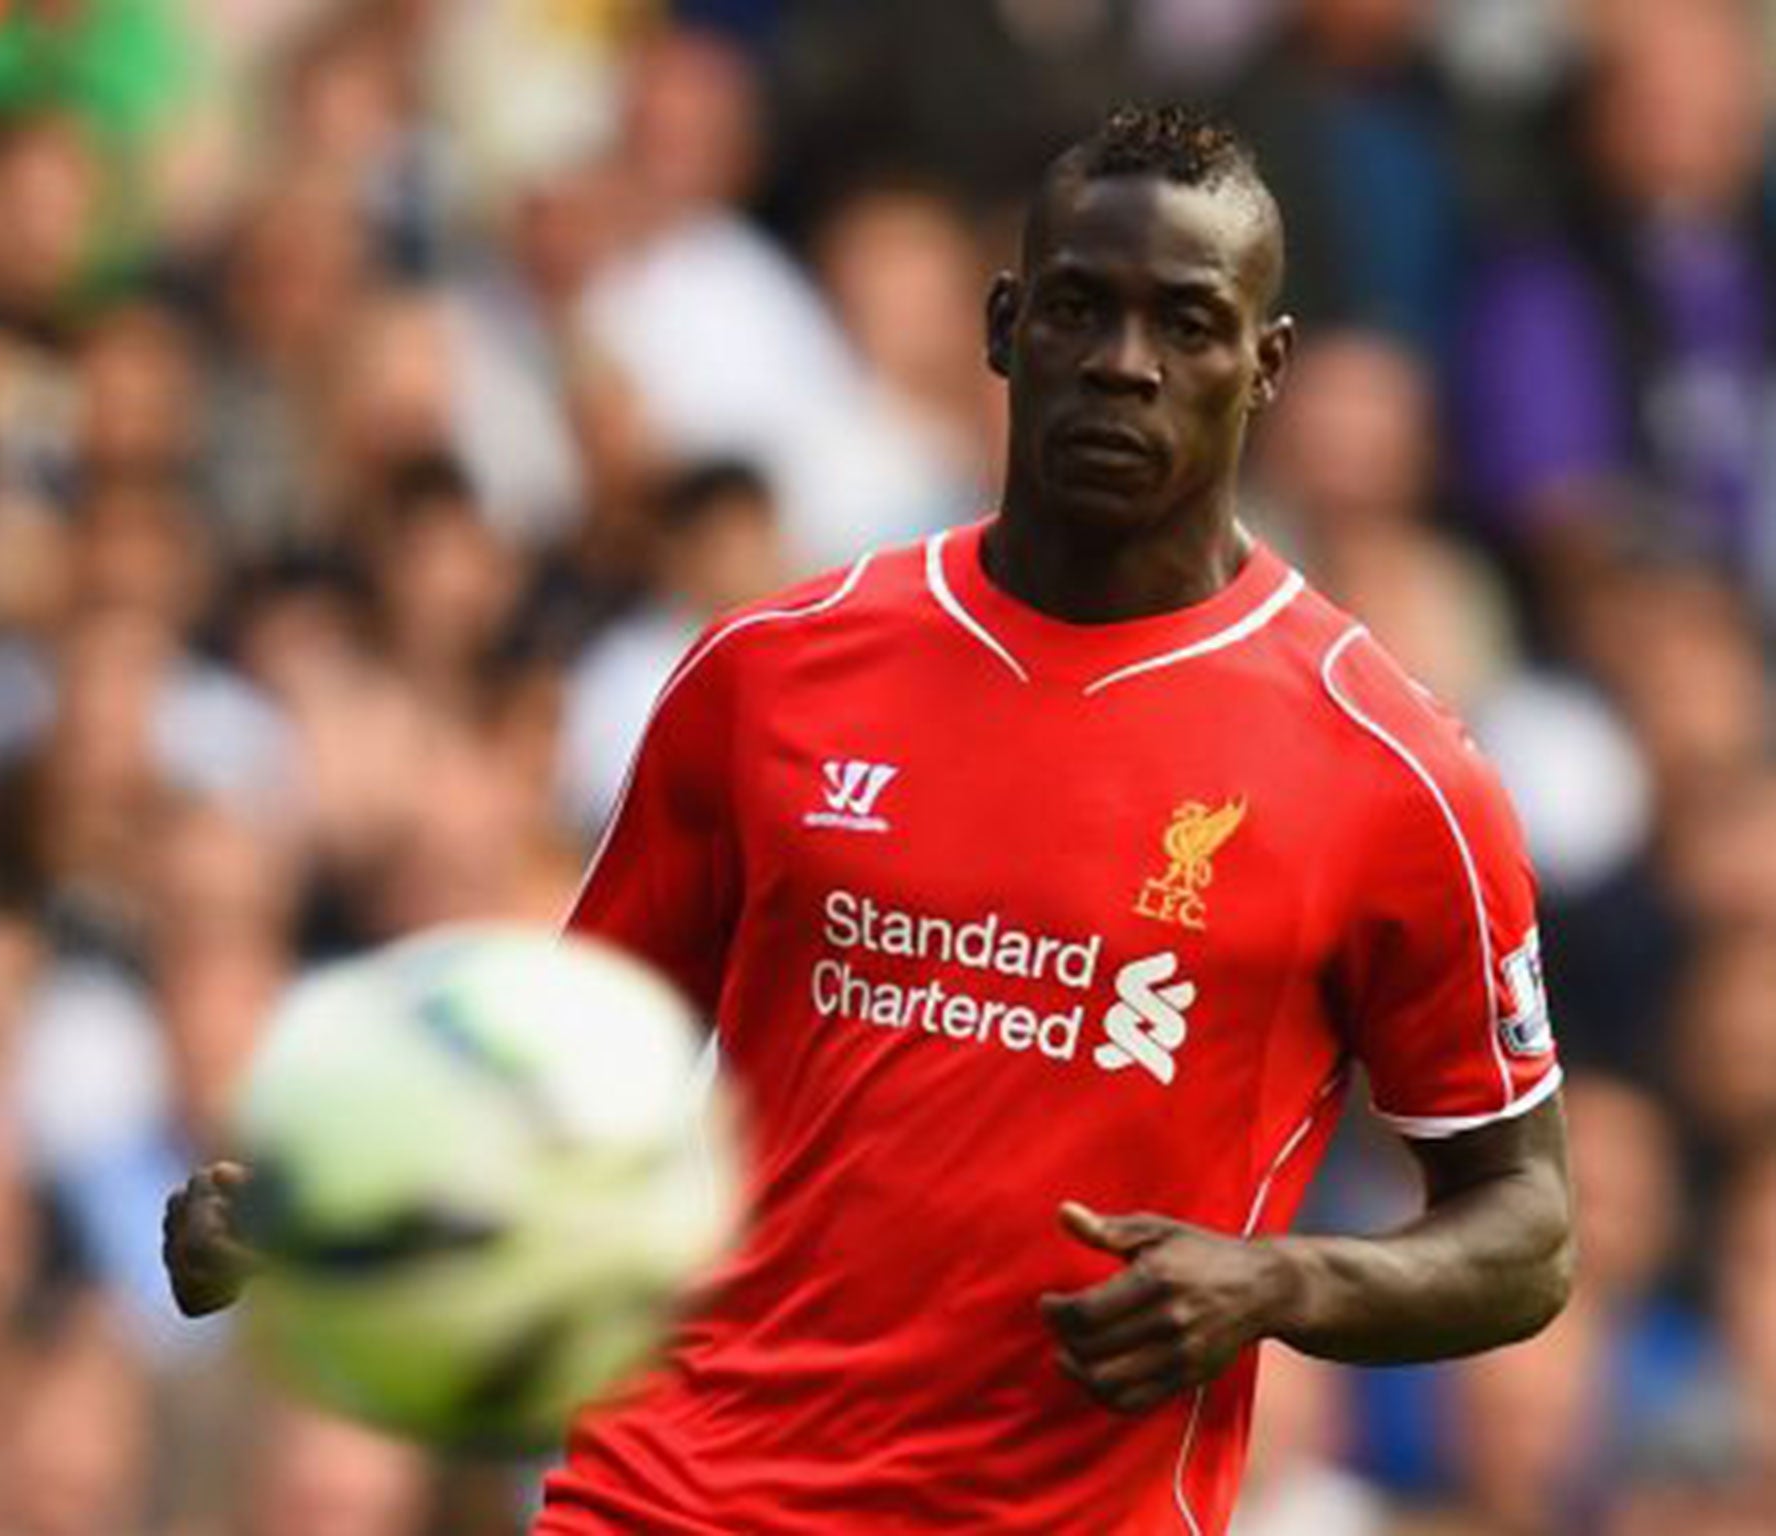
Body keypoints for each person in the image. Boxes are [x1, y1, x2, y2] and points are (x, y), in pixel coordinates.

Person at [163, 104, 1575, 1536]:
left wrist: (1277, 1284)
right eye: (1080, 308)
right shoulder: (772, 675)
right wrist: (314, 1210)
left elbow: (1526, 1230)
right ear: (1004, 325)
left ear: (1263, 366)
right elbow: (558, 1069)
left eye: (1188, 324)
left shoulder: (1389, 772)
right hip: (673, 1497)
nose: (1125, 366)